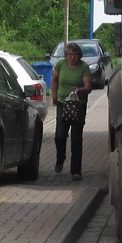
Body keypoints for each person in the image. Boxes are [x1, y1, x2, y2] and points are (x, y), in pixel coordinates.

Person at [51, 41, 93, 181]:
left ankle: (76, 170)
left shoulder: (84, 67)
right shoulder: (61, 64)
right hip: (63, 103)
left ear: (79, 56)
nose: (72, 57)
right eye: (70, 54)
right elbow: (55, 80)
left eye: (75, 55)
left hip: (78, 105)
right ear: (66, 55)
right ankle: (60, 157)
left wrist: (80, 90)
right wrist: (54, 95)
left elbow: (89, 87)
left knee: (76, 138)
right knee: (60, 136)